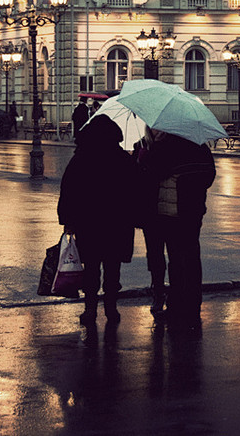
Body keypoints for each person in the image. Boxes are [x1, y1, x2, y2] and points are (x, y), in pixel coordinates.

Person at [57, 114, 141, 325]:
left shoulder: (81, 158)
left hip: (88, 224)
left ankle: (90, 310)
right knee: (113, 269)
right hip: (117, 224)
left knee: (91, 267)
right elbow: (136, 191)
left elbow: (68, 190)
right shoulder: (122, 159)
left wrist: (66, 219)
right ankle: (111, 309)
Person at [136, 127, 216, 330]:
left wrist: (152, 151)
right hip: (192, 211)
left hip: (172, 212)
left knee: (178, 259)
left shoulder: (168, 147)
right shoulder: (200, 147)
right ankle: (190, 302)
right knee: (188, 257)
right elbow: (209, 175)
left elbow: (155, 171)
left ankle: (178, 302)